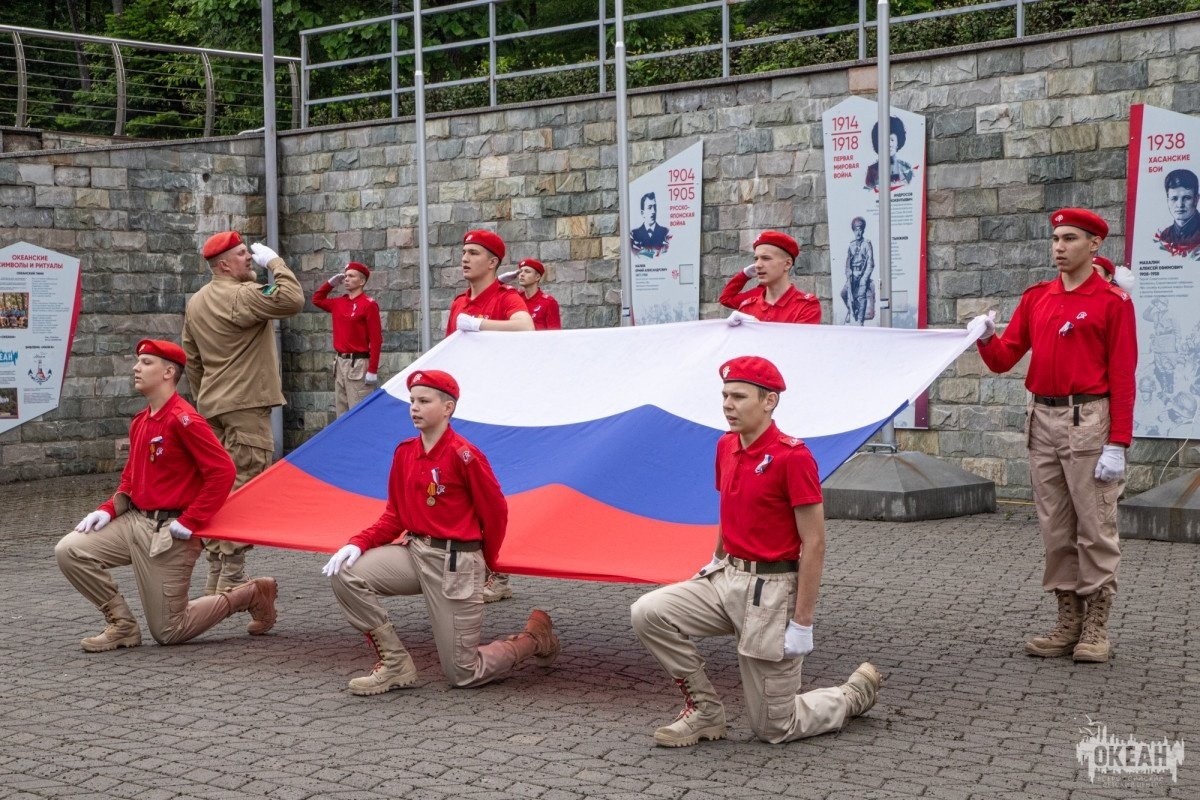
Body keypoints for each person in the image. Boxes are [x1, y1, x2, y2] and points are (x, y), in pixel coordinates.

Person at [630, 356, 881, 747]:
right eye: (725, 395)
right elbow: (728, 510)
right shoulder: (725, 445)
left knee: (774, 727)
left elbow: (814, 543)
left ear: (769, 402)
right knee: (649, 611)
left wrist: (802, 622)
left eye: (739, 396)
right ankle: (705, 711)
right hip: (726, 576)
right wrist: (715, 559)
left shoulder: (793, 458)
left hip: (772, 592)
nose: (728, 404)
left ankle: (849, 697)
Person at [321, 369, 560, 695]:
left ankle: (534, 640)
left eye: (424, 401)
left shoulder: (465, 455)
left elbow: (496, 513)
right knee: (346, 573)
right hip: (414, 553)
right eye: (412, 401)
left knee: (463, 673)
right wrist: (358, 544)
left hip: (456, 565)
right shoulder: (405, 452)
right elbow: (394, 516)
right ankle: (395, 664)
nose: (414, 408)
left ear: (448, 408)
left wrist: (488, 562)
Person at [970, 208, 1137, 664]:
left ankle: (1096, 625)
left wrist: (1118, 442)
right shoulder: (1038, 298)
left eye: (1070, 239)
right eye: (1056, 239)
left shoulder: (1112, 302)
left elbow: (1123, 376)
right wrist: (986, 336)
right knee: (1055, 526)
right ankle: (1068, 619)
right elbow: (1006, 359)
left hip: (1088, 419)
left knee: (1095, 525)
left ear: (1094, 245)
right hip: (1041, 419)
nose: (1059, 247)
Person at [55, 339, 278, 652]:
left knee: (169, 631)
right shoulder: (141, 421)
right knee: (69, 550)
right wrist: (107, 510)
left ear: (168, 372)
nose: (136, 367)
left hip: (170, 533)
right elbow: (131, 477)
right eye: (138, 361)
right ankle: (122, 626)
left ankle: (251, 593)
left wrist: (192, 520)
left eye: (146, 363)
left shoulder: (184, 419)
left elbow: (223, 472)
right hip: (134, 523)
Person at [182, 232, 305, 594]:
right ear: (223, 265)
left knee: (218, 485)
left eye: (249, 253)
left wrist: (206, 397)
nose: (249, 257)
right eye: (241, 254)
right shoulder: (242, 295)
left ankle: (216, 572)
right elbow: (292, 299)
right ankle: (231, 573)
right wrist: (276, 264)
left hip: (215, 405)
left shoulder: (197, 301)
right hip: (246, 405)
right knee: (245, 485)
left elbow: (191, 358)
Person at [446, 230, 533, 601]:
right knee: (462, 493)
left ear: (493, 262)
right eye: (463, 252)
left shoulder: (505, 297)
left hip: (497, 409)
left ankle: (498, 575)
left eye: (474, 253)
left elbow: (525, 328)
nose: (465, 258)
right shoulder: (457, 302)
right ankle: (469, 568)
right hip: (463, 408)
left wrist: (480, 325)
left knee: (491, 494)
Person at [312, 261, 383, 416]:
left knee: (359, 414)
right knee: (341, 414)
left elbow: (376, 339)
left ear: (362, 281)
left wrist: (372, 369)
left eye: (351, 276)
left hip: (358, 364)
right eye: (345, 276)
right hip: (340, 363)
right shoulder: (339, 302)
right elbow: (317, 299)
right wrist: (330, 284)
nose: (346, 279)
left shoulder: (368, 304)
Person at [719, 231, 821, 324]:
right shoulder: (748, 306)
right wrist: (744, 274)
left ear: (787, 264)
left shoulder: (805, 306)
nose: (757, 265)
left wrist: (759, 328)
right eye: (756, 259)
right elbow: (726, 298)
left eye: (766, 258)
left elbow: (799, 343)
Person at [1155, 169, 1200, 255]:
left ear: (1196, 199)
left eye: (1187, 197)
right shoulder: (1164, 236)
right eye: (1174, 198)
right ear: (1168, 201)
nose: (1180, 205)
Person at [864, 116, 914, 192]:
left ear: (898, 142)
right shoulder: (872, 171)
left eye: (892, 140)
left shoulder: (906, 169)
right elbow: (868, 193)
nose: (889, 144)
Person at [842, 217, 876, 325]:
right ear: (853, 230)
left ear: (863, 230)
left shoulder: (867, 244)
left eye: (860, 229)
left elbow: (870, 263)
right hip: (852, 276)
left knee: (861, 296)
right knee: (843, 293)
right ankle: (853, 309)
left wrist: (864, 279)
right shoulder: (851, 245)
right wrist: (849, 275)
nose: (858, 232)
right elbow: (847, 264)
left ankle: (860, 322)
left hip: (862, 275)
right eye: (856, 230)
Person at [514, 258, 562, 330]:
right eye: (520, 271)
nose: (522, 274)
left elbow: (554, 334)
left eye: (527, 271)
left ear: (537, 277)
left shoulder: (548, 302)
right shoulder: (515, 298)